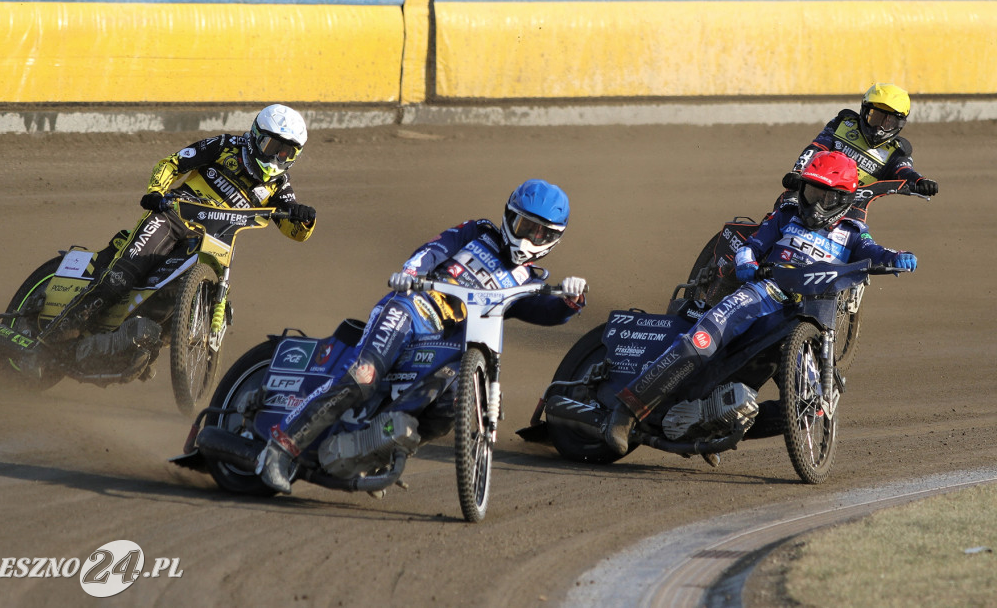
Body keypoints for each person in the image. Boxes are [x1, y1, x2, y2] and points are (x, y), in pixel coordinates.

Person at [258, 178, 589, 494]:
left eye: (541, 232)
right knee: (364, 376)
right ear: (509, 217)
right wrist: (411, 272)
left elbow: (547, 311)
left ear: (554, 239)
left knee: (449, 408)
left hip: (446, 345)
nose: (530, 236)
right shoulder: (479, 232)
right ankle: (279, 448)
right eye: (525, 225)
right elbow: (435, 249)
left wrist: (572, 301)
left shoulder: (529, 282)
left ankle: (376, 453)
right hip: (412, 309)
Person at [603, 151, 918, 456]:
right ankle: (625, 411)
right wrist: (746, 261)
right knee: (699, 342)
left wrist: (896, 258)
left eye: (826, 196)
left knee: (810, 407)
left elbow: (875, 252)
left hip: (809, 312)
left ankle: (711, 426)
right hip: (765, 292)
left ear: (844, 199)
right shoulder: (785, 215)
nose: (814, 202)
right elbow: (752, 246)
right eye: (810, 190)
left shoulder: (853, 232)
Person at [33, 104, 318, 353]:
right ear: (256, 137)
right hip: (173, 218)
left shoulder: (279, 186)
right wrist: (156, 192)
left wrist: (303, 218)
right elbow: (172, 163)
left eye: (286, 153)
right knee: (121, 277)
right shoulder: (224, 146)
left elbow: (294, 231)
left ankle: (141, 347)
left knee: (175, 313)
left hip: (212, 243)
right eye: (272, 147)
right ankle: (61, 330)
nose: (276, 159)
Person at [782, 83, 939, 196]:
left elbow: (904, 171)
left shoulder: (897, 152)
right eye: (875, 118)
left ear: (900, 124)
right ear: (864, 112)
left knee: (859, 237)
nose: (880, 127)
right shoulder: (843, 124)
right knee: (786, 206)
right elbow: (817, 147)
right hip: (810, 193)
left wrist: (919, 181)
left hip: (849, 209)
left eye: (889, 122)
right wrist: (797, 172)